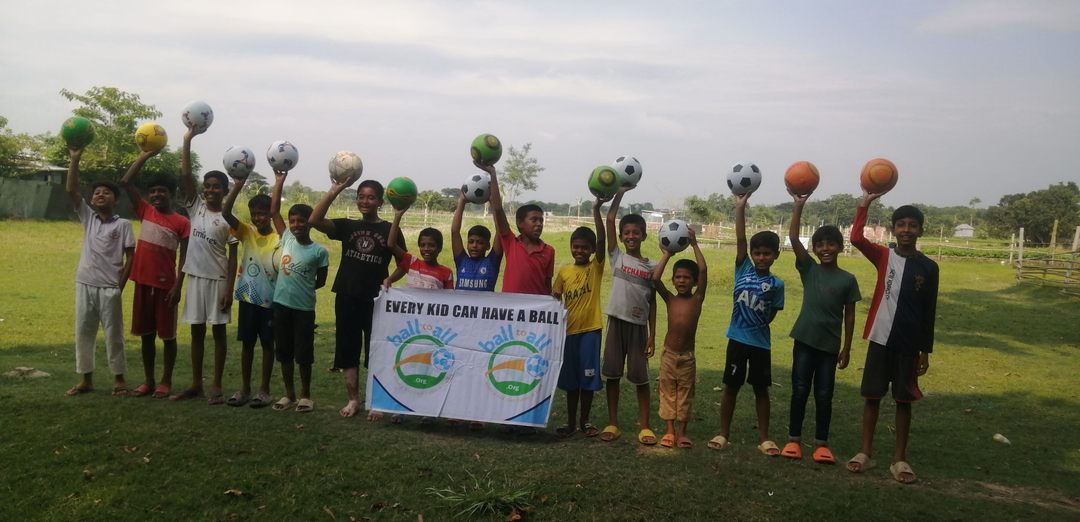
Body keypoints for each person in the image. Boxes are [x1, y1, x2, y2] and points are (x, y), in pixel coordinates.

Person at [847, 191, 938, 484]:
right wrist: (865, 203)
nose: (906, 230)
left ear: (920, 230)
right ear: (893, 229)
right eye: (901, 224)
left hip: (909, 344)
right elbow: (856, 238)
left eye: (912, 225)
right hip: (880, 338)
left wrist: (925, 350)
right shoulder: (883, 256)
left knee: (903, 400)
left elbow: (929, 311)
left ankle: (899, 459)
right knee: (872, 397)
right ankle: (865, 452)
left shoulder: (929, 267)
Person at [308, 176, 404, 418]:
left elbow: (404, 262)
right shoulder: (348, 226)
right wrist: (334, 190)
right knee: (347, 348)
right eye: (361, 197)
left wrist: (390, 279)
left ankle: (376, 401)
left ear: (380, 202)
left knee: (376, 349)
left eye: (371, 197)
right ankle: (353, 400)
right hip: (347, 295)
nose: (365, 201)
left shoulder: (388, 229)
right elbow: (314, 220)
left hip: (376, 300)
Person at [782, 192, 861, 464]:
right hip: (804, 341)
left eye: (831, 244)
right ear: (814, 249)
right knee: (799, 390)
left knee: (825, 395)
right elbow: (794, 238)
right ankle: (793, 440)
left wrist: (847, 348)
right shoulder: (809, 270)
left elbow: (850, 316)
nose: (825, 248)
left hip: (829, 347)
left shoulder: (848, 280)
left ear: (840, 247)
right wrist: (798, 206)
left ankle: (821, 444)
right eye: (820, 245)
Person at [709, 192, 785, 455]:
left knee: (761, 390)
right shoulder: (743, 268)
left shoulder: (777, 284)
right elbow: (740, 239)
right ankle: (723, 434)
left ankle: (764, 438)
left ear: (776, 255)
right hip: (737, 340)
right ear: (751, 254)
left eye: (767, 254)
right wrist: (740, 206)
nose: (761, 257)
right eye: (757, 253)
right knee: (731, 387)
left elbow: (772, 313)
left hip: (761, 344)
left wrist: (756, 324)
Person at [171, 128, 238, 404]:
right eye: (207, 186)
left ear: (225, 191)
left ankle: (217, 386)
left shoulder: (229, 219)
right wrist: (187, 140)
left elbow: (233, 257)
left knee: (219, 333)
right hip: (195, 279)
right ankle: (196, 383)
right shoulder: (195, 207)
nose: (210, 190)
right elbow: (186, 175)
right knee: (196, 331)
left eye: (216, 187)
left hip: (218, 280)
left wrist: (229, 290)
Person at [63, 146, 135, 397]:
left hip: (109, 288)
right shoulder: (88, 217)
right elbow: (71, 190)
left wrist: (120, 286)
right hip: (85, 284)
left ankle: (119, 380)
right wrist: (75, 159)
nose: (100, 195)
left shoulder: (123, 225)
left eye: (106, 192)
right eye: (96, 192)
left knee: (114, 335)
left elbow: (131, 256)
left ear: (116, 200)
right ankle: (86, 380)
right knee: (84, 333)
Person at [120, 151, 190, 399]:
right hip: (142, 284)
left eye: (162, 191)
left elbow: (185, 257)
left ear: (172, 193)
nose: (157, 195)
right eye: (153, 191)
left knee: (168, 337)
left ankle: (165, 381)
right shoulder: (145, 211)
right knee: (146, 336)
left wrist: (178, 286)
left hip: (165, 287)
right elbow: (126, 182)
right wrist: (144, 155)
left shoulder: (182, 222)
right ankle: (148, 381)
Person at [599, 187, 658, 445]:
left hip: (638, 328)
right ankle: (613, 423)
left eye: (636, 232)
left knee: (640, 379)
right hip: (616, 323)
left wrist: (653, 334)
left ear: (644, 235)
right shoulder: (617, 258)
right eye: (627, 233)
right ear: (621, 237)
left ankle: (644, 426)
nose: (631, 236)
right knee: (612, 376)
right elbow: (610, 219)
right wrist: (620, 193)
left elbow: (653, 302)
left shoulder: (652, 266)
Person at [267, 171, 329, 413]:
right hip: (281, 306)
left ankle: (305, 396)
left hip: (304, 309)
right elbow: (274, 212)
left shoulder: (319, 252)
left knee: (303, 355)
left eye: (301, 221)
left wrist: (302, 289)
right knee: (284, 353)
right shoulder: (287, 239)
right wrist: (279, 182)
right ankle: (289, 395)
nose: (296, 225)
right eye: (292, 221)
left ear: (309, 223)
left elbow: (320, 281)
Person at [221, 176, 280, 408]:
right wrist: (237, 185)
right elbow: (226, 212)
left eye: (263, 213)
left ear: (270, 214)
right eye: (254, 214)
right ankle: (245, 389)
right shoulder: (246, 232)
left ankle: (264, 390)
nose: (258, 218)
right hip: (247, 297)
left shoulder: (280, 238)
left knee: (267, 344)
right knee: (247, 344)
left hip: (271, 301)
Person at [551, 198, 606, 438]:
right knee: (571, 382)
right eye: (576, 247)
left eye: (585, 248)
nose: (579, 251)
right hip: (568, 333)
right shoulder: (564, 272)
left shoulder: (595, 268)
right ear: (571, 247)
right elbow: (554, 299)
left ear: (592, 250)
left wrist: (596, 210)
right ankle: (571, 423)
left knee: (588, 380)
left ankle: (585, 422)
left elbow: (602, 240)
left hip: (590, 332)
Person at [652, 228, 707, 449]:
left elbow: (703, 269)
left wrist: (694, 245)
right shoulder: (670, 299)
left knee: (685, 393)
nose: (682, 281)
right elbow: (655, 278)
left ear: (694, 282)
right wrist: (667, 254)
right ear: (673, 280)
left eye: (686, 277)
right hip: (668, 355)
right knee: (667, 391)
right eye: (678, 277)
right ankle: (669, 430)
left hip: (687, 357)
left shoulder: (697, 298)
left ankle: (682, 432)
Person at [481, 162, 554, 294]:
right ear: (520, 223)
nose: (539, 224)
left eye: (541, 221)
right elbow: (498, 210)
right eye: (534, 220)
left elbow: (547, 285)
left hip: (535, 307)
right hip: (510, 306)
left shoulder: (549, 251)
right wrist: (493, 174)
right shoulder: (510, 243)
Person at [384, 207, 454, 290]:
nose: (426, 248)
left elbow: (449, 296)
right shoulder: (412, 262)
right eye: (422, 245)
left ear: (440, 248)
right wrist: (398, 216)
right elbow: (391, 245)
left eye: (431, 245)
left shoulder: (446, 273)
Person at [450, 192, 502, 292]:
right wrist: (462, 201)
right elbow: (455, 232)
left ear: (488, 246)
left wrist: (492, 202)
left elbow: (500, 231)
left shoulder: (492, 261)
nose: (474, 245)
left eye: (480, 243)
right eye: (471, 242)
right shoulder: (461, 260)